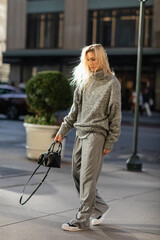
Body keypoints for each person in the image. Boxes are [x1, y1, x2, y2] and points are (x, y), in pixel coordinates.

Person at [54, 43, 121, 231]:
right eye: (88, 60)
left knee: (87, 178)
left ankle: (81, 220)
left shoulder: (111, 83)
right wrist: (61, 132)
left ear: (101, 59)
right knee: (76, 174)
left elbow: (115, 115)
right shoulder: (84, 82)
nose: (91, 63)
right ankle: (99, 207)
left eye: (94, 59)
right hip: (80, 133)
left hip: (97, 134)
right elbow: (74, 112)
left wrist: (110, 140)